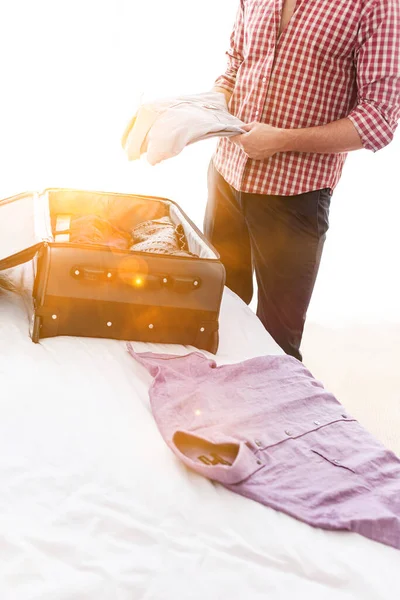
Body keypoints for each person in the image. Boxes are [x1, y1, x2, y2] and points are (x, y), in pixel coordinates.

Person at [204, 0, 400, 360]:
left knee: (276, 344)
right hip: (225, 176)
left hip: (295, 197)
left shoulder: (377, 5)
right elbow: (234, 65)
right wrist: (203, 108)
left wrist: (282, 140)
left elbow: (379, 119)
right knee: (213, 315)